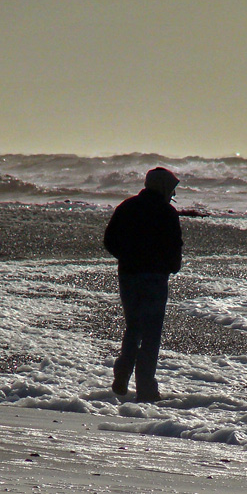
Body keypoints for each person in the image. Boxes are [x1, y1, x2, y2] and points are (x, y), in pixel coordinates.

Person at [103, 167, 182, 402]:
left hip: (129, 276)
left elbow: (110, 241)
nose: (172, 195)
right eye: (171, 190)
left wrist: (127, 257)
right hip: (155, 279)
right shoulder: (167, 213)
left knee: (134, 327)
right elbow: (174, 248)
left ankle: (122, 371)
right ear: (163, 187)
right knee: (151, 334)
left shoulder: (127, 207)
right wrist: (170, 267)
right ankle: (146, 388)